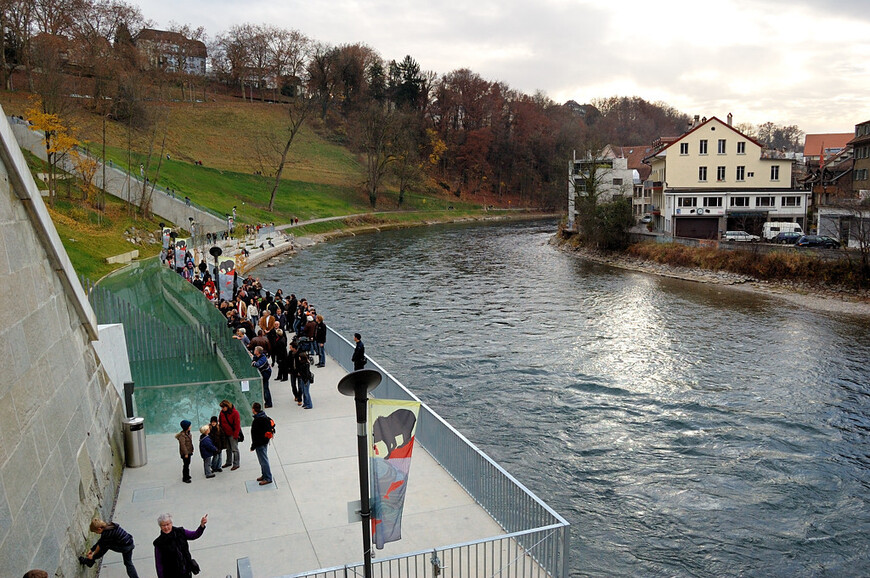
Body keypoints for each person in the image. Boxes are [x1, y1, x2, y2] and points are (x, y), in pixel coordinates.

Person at [153, 513, 207, 578]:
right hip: (171, 574)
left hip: (186, 572)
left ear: (171, 523)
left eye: (167, 524)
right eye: (163, 525)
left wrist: (202, 525)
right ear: (160, 526)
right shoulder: (159, 543)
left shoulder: (180, 532)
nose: (166, 527)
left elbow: (194, 535)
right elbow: (159, 564)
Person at [250, 402, 273, 485]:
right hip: (265, 442)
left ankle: (268, 478)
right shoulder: (265, 417)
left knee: (263, 461)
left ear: (254, 410)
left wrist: (253, 446)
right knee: (263, 460)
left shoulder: (257, 420)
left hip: (260, 443)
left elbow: (256, 435)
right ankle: (264, 475)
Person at [219, 400, 241, 470]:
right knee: (228, 449)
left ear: (227, 407)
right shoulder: (222, 413)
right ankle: (228, 462)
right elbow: (220, 421)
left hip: (232, 433)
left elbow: (237, 425)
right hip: (225, 433)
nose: (222, 409)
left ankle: (236, 463)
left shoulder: (235, 413)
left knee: (234, 449)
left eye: (223, 407)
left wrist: (236, 435)